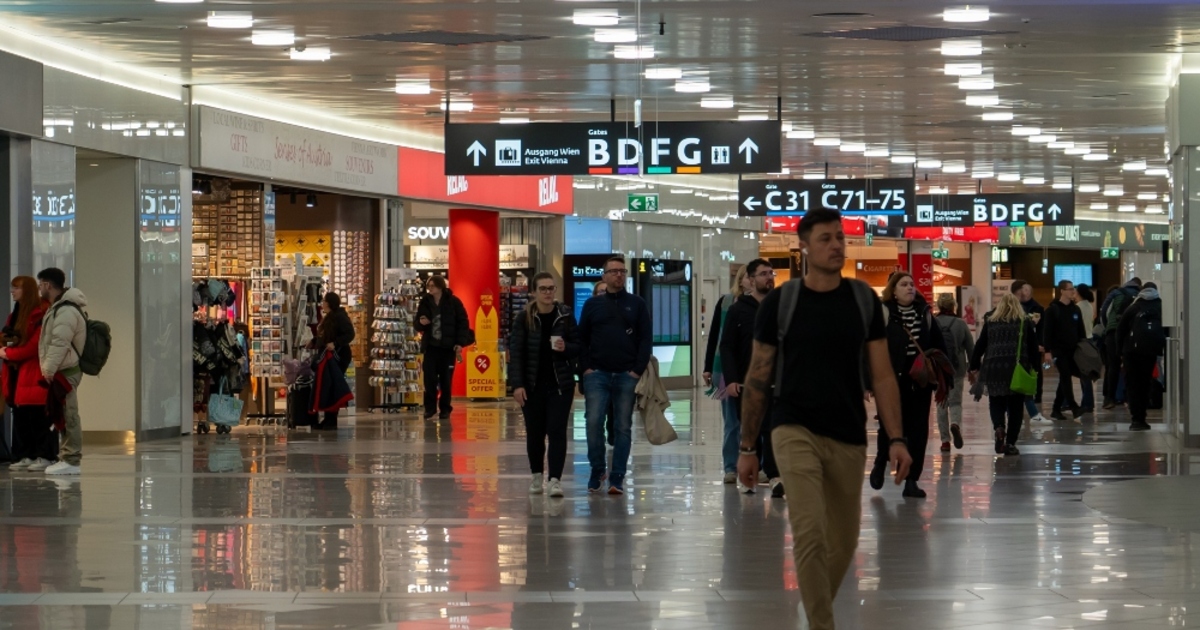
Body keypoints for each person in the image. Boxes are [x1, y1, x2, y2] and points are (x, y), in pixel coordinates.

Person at [737, 209, 910, 630]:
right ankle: (821, 624)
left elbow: (883, 375)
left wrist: (897, 439)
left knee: (844, 540)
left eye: (840, 237)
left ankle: (814, 609)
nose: (836, 246)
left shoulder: (863, 300)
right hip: (792, 426)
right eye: (825, 239)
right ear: (804, 248)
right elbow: (758, 376)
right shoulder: (781, 302)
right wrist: (747, 447)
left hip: (848, 431)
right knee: (810, 530)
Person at [578, 256, 652, 495]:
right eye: (613, 271)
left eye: (622, 271)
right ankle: (597, 469)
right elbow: (582, 338)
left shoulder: (637, 304)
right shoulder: (593, 305)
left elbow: (645, 338)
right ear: (604, 276)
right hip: (597, 374)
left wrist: (636, 370)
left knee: (622, 426)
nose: (619, 275)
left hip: (626, 374)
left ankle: (617, 475)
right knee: (593, 422)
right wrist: (585, 368)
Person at [869, 272, 947, 499]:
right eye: (903, 284)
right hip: (891, 380)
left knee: (918, 431)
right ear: (893, 291)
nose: (910, 288)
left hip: (919, 382)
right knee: (888, 425)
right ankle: (880, 462)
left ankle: (912, 480)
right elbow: (870, 348)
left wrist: (944, 376)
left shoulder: (925, 314)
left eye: (912, 284)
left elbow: (938, 345)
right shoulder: (884, 313)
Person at [508, 272, 580, 497]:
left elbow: (579, 346)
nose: (548, 293)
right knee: (535, 433)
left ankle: (555, 479)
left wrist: (566, 348)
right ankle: (537, 475)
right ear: (533, 292)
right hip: (532, 386)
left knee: (557, 431)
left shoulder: (564, 316)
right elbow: (516, 354)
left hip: (560, 385)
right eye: (543, 289)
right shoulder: (524, 318)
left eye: (551, 288)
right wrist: (517, 385)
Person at [720, 259, 783, 497]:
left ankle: (774, 475)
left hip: (776, 381)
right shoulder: (738, 310)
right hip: (746, 382)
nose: (769, 277)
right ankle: (748, 476)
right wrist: (731, 380)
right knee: (751, 429)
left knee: (772, 429)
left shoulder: (779, 308)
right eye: (763, 274)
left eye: (771, 273)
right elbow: (727, 346)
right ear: (751, 279)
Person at [968, 294, 1040, 456]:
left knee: (996, 401)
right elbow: (1033, 347)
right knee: (1016, 407)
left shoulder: (991, 321)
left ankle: (999, 427)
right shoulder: (1024, 321)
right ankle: (1010, 444)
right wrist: (1035, 368)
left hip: (994, 368)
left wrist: (973, 366)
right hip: (1017, 368)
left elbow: (980, 345)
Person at [35, 268, 87, 476]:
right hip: (62, 370)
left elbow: (59, 342)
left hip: (66, 370)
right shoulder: (59, 307)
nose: (39, 288)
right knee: (64, 413)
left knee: (69, 413)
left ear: (48, 285)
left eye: (40, 284)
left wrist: (48, 369)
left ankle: (71, 459)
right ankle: (66, 457)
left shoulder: (65, 310)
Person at [703, 265, 751, 484]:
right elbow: (715, 335)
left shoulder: (765, 303)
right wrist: (707, 366)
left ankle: (757, 464)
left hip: (752, 370)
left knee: (756, 422)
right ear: (741, 280)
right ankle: (730, 467)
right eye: (748, 277)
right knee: (731, 422)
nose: (751, 281)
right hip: (724, 369)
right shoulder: (725, 302)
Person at [2, 277, 54, 471]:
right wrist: (8, 346)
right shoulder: (14, 315)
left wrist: (8, 353)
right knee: (21, 414)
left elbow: (34, 346)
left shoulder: (40, 314)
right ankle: (26, 454)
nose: (12, 291)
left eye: (16, 288)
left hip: (33, 370)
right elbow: (7, 339)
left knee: (37, 416)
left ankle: (43, 455)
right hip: (16, 371)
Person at [416, 276, 472, 422]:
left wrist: (459, 343)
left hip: (448, 348)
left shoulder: (453, 302)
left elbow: (463, 323)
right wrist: (421, 322)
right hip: (431, 347)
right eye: (428, 286)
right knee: (429, 379)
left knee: (446, 380)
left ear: (440, 287)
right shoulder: (425, 301)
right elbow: (417, 322)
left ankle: (445, 408)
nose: (430, 289)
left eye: (432, 286)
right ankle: (430, 408)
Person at [1118, 282, 1164, 432]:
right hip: (1150, 352)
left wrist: (1120, 352)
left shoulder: (1134, 306)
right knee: (1145, 384)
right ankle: (1142, 418)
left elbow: (1121, 329)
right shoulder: (1160, 306)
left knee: (1133, 385)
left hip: (1131, 352)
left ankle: (1136, 419)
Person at [934, 293, 974, 453]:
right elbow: (970, 347)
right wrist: (972, 369)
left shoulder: (933, 322)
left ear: (939, 305)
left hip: (938, 369)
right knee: (955, 402)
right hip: (957, 368)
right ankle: (955, 424)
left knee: (941, 403)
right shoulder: (960, 323)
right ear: (953, 306)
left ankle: (945, 441)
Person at [1042, 280, 1087, 420]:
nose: (1073, 291)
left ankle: (1056, 409)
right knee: (1066, 375)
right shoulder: (1052, 310)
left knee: (1065, 378)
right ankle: (1074, 406)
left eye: (1073, 289)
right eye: (1070, 289)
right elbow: (1047, 332)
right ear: (1062, 291)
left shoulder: (1075, 309)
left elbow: (1081, 331)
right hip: (1058, 350)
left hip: (1073, 350)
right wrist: (1047, 351)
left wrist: (1083, 347)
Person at [312, 292, 355, 431]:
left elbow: (350, 334)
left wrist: (335, 343)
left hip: (338, 356)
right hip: (329, 356)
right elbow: (326, 335)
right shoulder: (329, 317)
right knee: (328, 386)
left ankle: (331, 420)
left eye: (324, 301)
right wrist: (314, 341)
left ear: (329, 303)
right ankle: (328, 418)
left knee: (333, 386)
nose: (322, 303)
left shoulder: (340, 317)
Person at [1100, 278, 1142, 409]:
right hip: (1131, 333)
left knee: (1113, 366)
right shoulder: (1140, 295)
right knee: (1131, 366)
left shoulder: (1116, 292)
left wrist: (1109, 328)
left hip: (1113, 332)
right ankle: (1130, 399)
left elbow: (1104, 312)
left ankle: (1109, 399)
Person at [1012, 280, 1049, 423]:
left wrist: (1041, 344)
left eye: (1026, 290)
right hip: (1019, 346)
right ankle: (1028, 410)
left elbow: (1042, 328)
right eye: (1022, 290)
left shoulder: (1038, 308)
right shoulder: (1015, 307)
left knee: (1035, 369)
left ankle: (1036, 396)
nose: (1024, 293)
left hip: (1032, 345)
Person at [1075, 284, 1097, 412]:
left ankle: (1087, 403)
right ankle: (1087, 402)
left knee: (1084, 374)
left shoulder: (1078, 307)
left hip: (1081, 341)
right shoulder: (1089, 305)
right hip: (1090, 340)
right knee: (1086, 373)